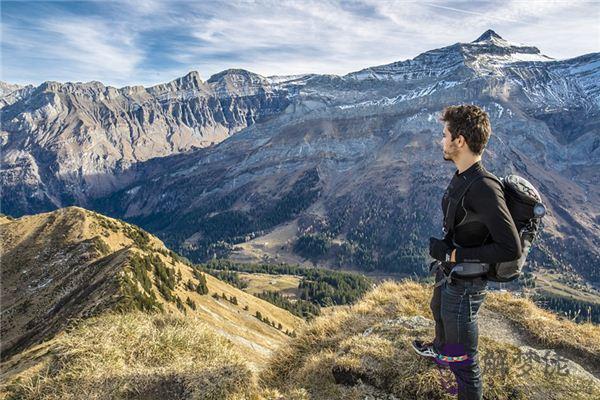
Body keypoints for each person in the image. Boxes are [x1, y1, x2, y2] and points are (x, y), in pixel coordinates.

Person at [412, 104, 522, 400]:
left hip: (467, 285)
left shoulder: (484, 187)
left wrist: (455, 256)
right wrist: (448, 252)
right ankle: (439, 350)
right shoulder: (464, 175)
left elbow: (510, 247)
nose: (441, 140)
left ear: (459, 141)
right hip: (453, 275)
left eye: (444, 134)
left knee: (465, 363)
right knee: (438, 311)